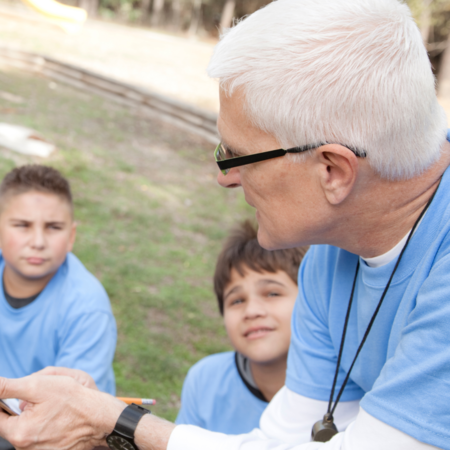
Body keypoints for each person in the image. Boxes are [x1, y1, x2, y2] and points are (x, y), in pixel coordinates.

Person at [0, 0, 449, 449]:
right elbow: (286, 441)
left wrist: (113, 421)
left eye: (239, 156)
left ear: (332, 170)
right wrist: (98, 421)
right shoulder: (328, 260)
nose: (224, 177)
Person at [176, 221, 307, 433]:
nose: (252, 311)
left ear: (312, 299)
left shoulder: (347, 393)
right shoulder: (205, 380)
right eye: (236, 301)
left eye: (272, 293)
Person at [0, 164, 117, 394]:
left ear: (71, 235)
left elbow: (71, 412)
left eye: (53, 227)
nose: (38, 242)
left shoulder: (88, 310)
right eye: (23, 225)